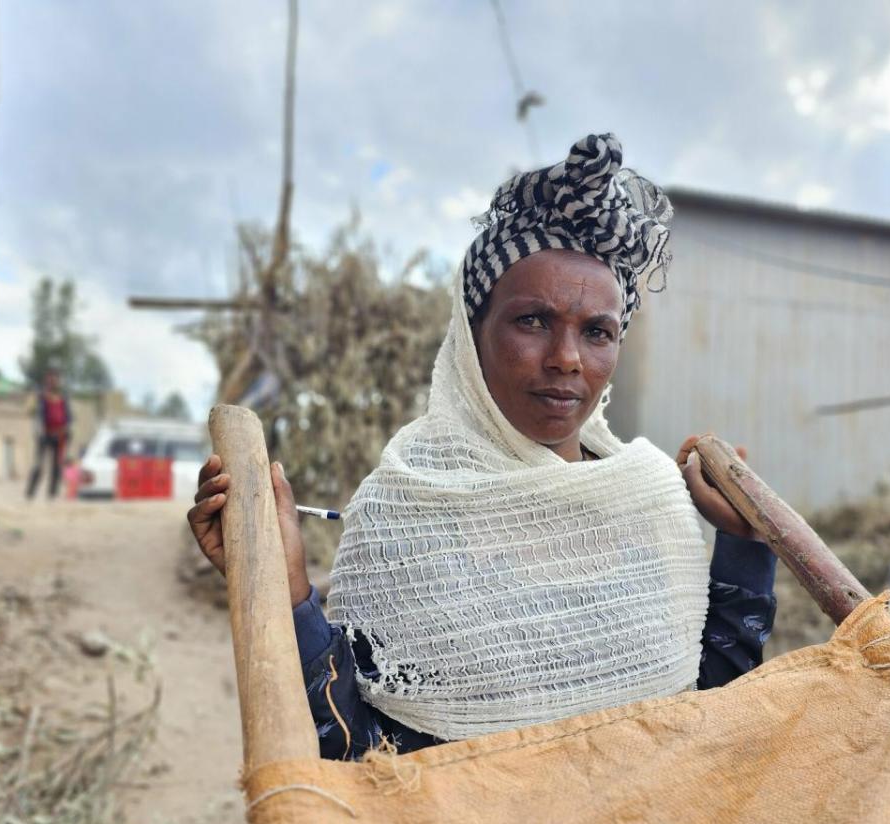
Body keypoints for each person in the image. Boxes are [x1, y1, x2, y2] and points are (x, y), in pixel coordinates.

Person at [189, 134, 777, 760]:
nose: (567, 359)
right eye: (532, 321)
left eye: (598, 332)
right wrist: (289, 594)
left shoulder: (651, 497)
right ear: (472, 337)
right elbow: (364, 763)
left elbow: (713, 716)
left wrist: (745, 543)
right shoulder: (402, 512)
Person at [26, 368, 72, 500]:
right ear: (46, 381)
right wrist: (38, 432)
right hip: (45, 434)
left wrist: (67, 430)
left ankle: (52, 494)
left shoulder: (63, 397)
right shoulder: (40, 397)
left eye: (55, 379)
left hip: (61, 435)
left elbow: (68, 417)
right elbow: (35, 415)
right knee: (39, 464)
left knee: (57, 466)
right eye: (50, 379)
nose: (53, 381)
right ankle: (30, 493)